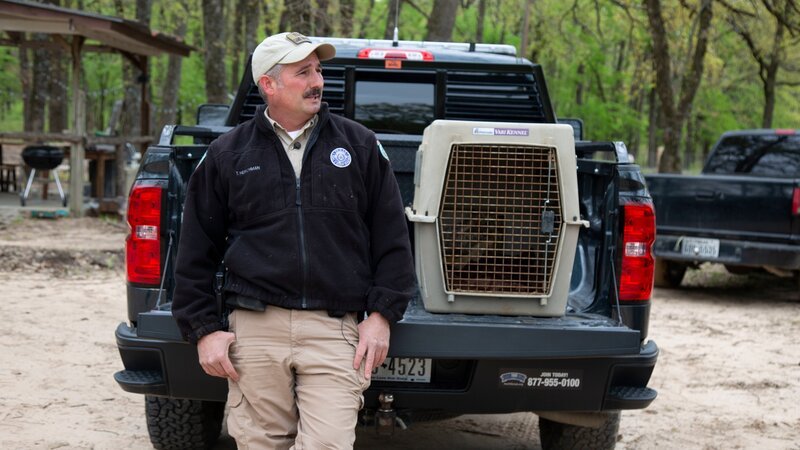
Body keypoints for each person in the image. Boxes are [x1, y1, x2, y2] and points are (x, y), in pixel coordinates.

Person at [171, 31, 416, 449]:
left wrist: (382, 315)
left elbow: (393, 237)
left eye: (318, 70)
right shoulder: (228, 155)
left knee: (328, 443)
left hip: (335, 328)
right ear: (269, 84)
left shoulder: (359, 145)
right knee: (262, 443)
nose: (317, 81)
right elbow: (195, 251)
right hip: (254, 327)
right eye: (303, 72)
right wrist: (204, 330)